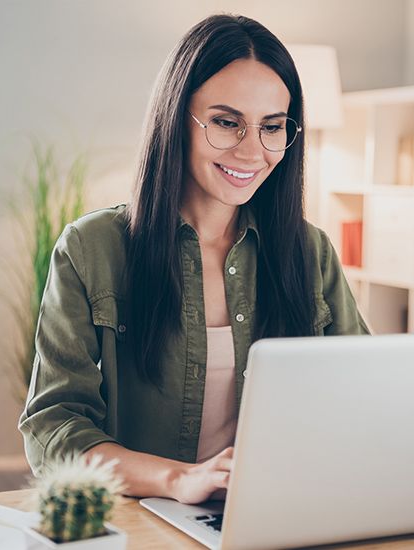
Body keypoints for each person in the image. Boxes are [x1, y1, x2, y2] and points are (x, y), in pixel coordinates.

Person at [19, 13, 369, 505]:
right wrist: (180, 479)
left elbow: (365, 400)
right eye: (226, 123)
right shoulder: (91, 249)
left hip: (281, 513)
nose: (253, 151)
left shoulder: (310, 253)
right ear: (176, 117)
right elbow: (53, 430)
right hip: (143, 521)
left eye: (272, 127)